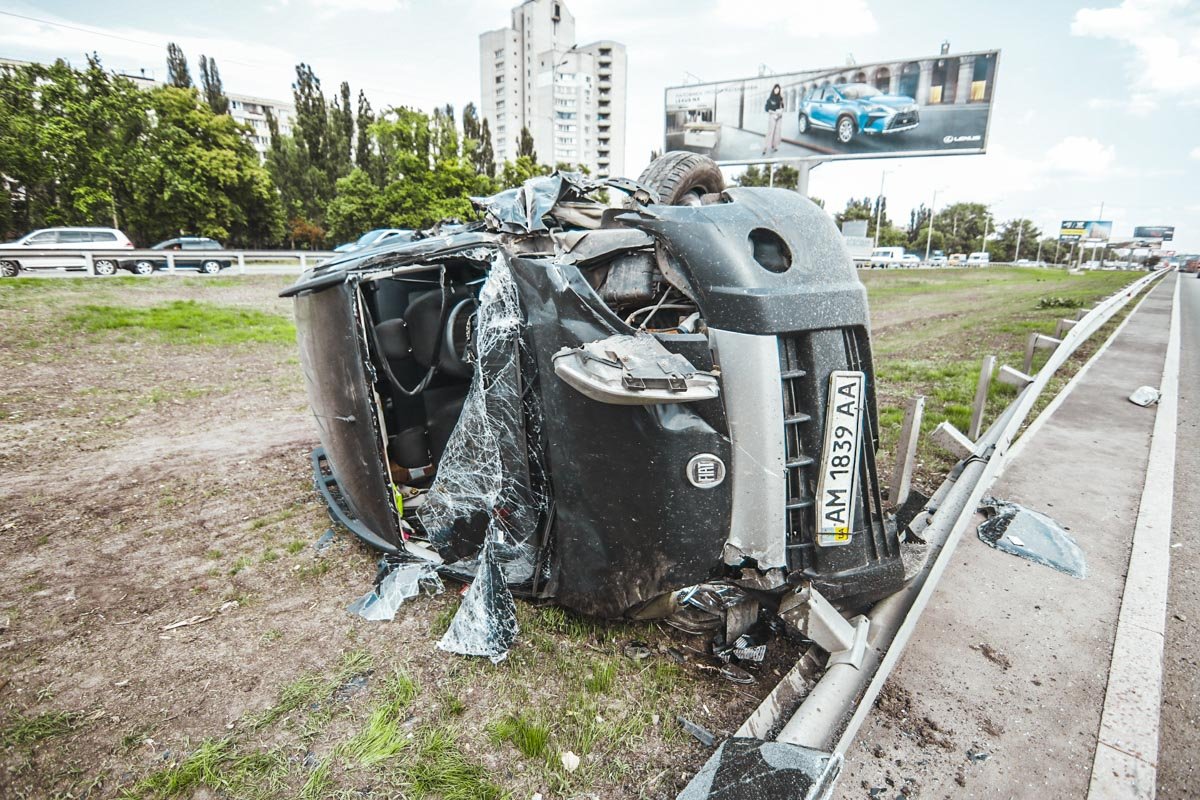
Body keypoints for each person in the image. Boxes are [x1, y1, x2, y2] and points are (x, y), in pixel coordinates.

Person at [763, 84, 784, 155]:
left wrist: (780, 112)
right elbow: (766, 109)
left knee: (777, 132)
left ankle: (774, 146)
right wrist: (772, 112)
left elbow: (782, 107)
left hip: (779, 116)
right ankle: (765, 147)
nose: (777, 90)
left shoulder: (780, 98)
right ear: (773, 89)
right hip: (772, 115)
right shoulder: (770, 99)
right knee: (770, 131)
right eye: (776, 89)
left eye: (778, 89)